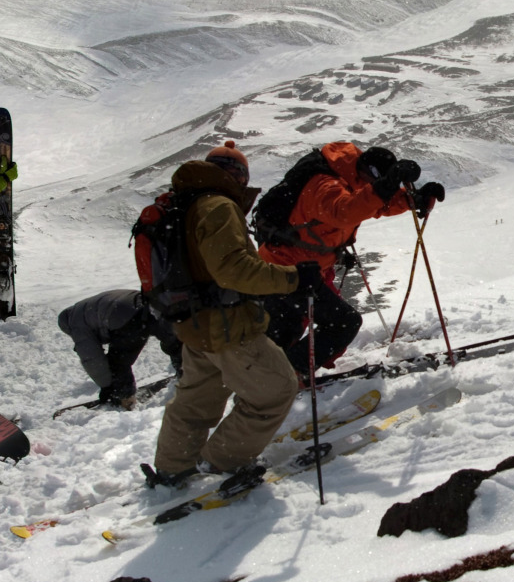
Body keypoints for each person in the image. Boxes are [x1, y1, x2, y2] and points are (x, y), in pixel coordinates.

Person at [146, 144, 300, 492]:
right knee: (277, 390)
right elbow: (234, 270)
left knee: (196, 400)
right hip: (229, 327)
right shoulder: (218, 206)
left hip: (193, 325)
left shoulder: (186, 204)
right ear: (240, 177)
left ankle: (173, 467)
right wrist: (292, 278)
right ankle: (220, 461)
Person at [255, 141, 440, 376]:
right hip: (286, 270)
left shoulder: (351, 176)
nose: (373, 186)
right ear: (369, 171)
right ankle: (285, 377)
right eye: (376, 181)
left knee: (285, 330)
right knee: (343, 323)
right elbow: (346, 211)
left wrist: (414, 199)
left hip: (303, 269)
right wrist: (385, 185)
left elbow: (373, 204)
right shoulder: (324, 184)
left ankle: (269, 379)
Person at [58, 288, 182, 408]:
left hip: (126, 318)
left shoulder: (76, 323)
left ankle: (125, 400)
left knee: (118, 362)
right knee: (173, 341)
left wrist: (108, 387)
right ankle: (188, 372)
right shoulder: (86, 306)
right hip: (146, 304)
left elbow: (92, 358)